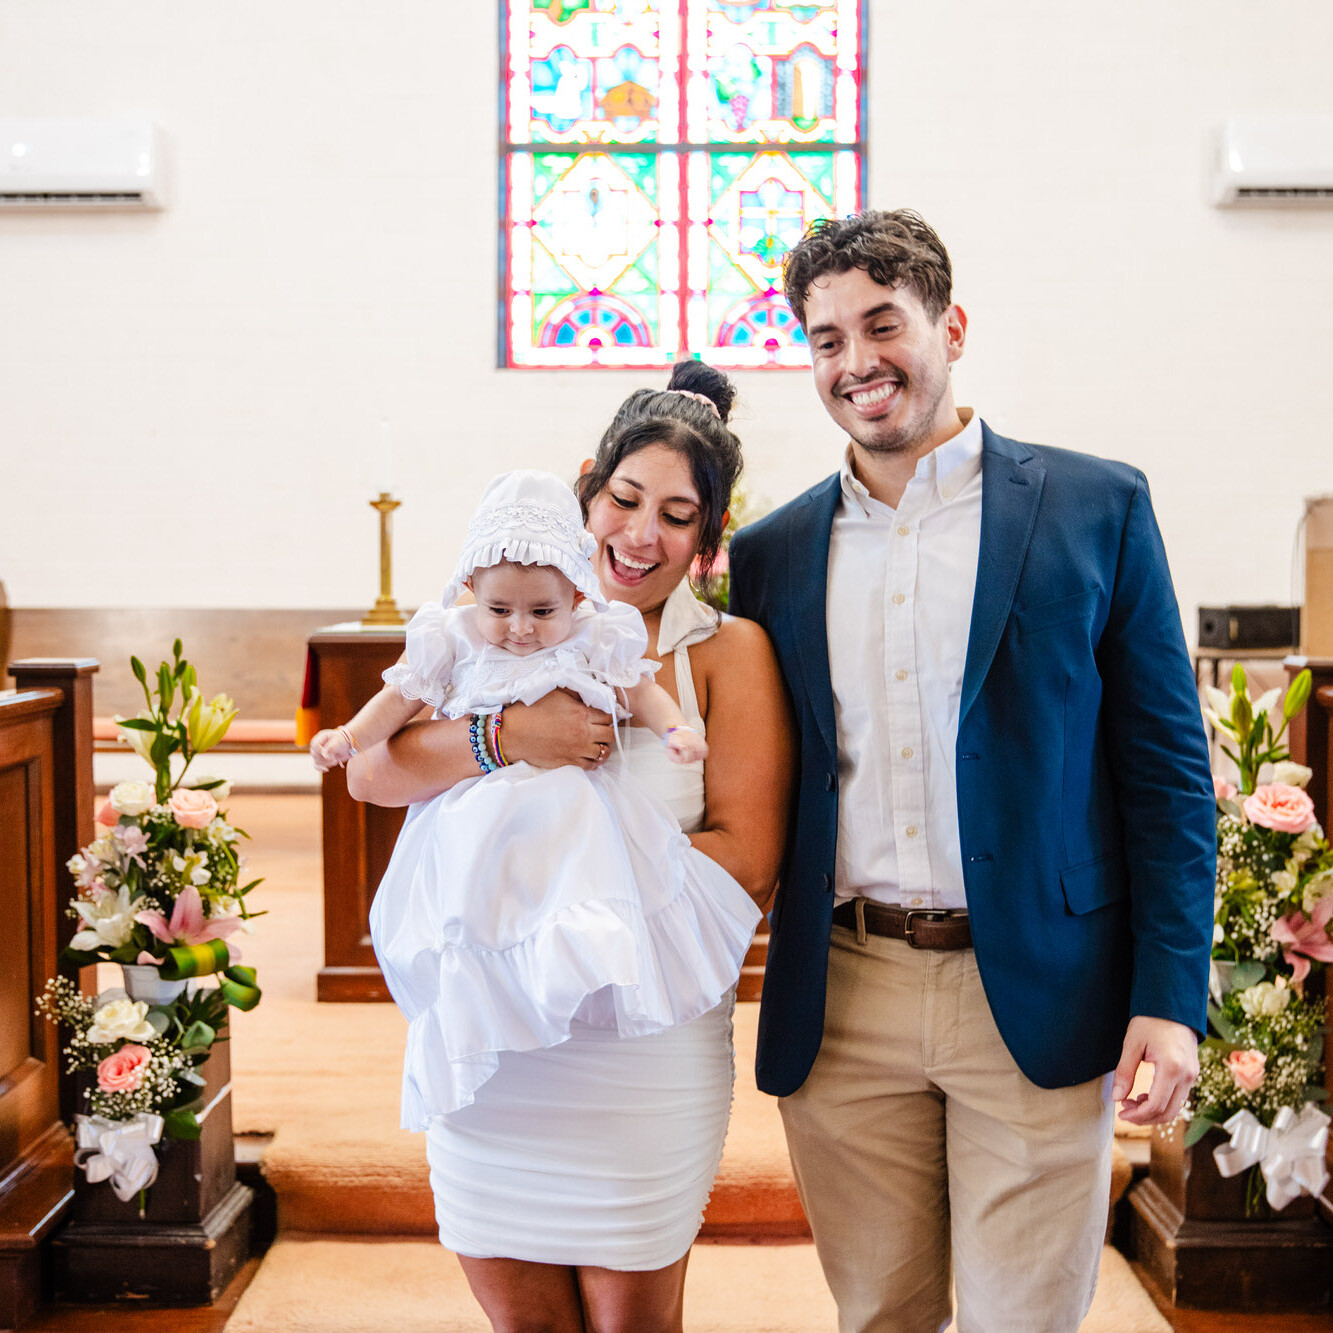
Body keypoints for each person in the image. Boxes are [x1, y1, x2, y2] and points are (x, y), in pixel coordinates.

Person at [727, 209, 1216, 1332]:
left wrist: (1167, 999)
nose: (855, 363)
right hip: (845, 990)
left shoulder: (1096, 508)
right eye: (824, 339)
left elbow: (1165, 775)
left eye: (880, 324)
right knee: (880, 1314)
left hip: (1038, 985)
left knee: (1023, 1320)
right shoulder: (771, 555)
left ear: (949, 324)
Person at [345, 362, 794, 1333]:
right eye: (625, 499)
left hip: (642, 1033)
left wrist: (586, 929)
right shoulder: (489, 620)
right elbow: (371, 774)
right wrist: (503, 739)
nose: (641, 534)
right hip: (493, 1031)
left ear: (709, 538)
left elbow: (748, 856)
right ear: (587, 487)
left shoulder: (724, 653)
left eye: (677, 515)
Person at [308, 468, 761, 1124]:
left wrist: (676, 729)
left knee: (583, 851)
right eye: (500, 610)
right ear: (471, 591)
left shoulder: (596, 634)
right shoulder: (452, 636)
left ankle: (579, 955)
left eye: (541, 612)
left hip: (567, 805)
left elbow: (641, 691)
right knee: (470, 874)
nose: (519, 629)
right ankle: (479, 987)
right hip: (474, 807)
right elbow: (394, 702)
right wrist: (347, 737)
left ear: (575, 595)